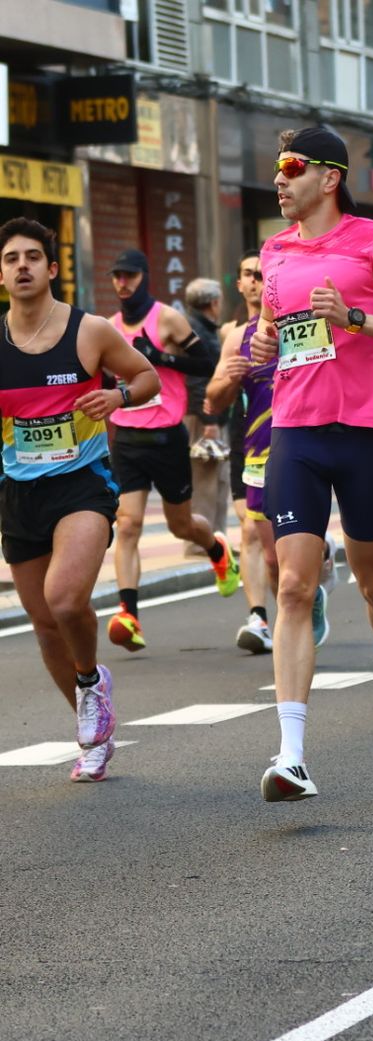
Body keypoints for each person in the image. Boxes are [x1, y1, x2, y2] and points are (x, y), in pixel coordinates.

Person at [248, 126, 373, 801]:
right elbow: (285, 331)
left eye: (292, 168)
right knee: (295, 584)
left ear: (329, 177)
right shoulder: (273, 252)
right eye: (277, 169)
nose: (280, 180)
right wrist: (268, 341)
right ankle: (292, 754)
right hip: (296, 431)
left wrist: (358, 318)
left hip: (363, 430)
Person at [0, 218, 159, 782]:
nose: (22, 266)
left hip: (82, 484)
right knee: (43, 623)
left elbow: (147, 379)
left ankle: (91, 679)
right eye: (11, 258)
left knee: (65, 600)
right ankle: (90, 730)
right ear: (1, 272)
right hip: (18, 492)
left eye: (32, 257)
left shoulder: (87, 330)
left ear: (52, 267)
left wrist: (116, 396)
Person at [104, 249, 239, 651]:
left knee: (182, 526)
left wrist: (160, 357)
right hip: (126, 438)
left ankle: (217, 549)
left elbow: (208, 363)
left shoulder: (167, 318)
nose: (122, 283)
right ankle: (128, 615)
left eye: (129, 275)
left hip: (166, 437)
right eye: (116, 276)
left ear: (144, 277)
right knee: (127, 525)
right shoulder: (108, 327)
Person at [206, 251, 281, 653]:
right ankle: (261, 617)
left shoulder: (298, 326)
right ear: (240, 284)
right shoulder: (234, 335)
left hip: (297, 440)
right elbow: (213, 399)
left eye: (262, 274)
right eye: (249, 274)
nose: (255, 281)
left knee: (286, 541)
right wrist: (231, 379)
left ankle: (307, 584)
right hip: (249, 439)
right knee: (254, 534)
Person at [181, 277, 231, 543]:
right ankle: (202, 544)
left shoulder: (204, 327)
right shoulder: (196, 331)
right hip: (203, 416)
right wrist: (210, 419)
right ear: (214, 302)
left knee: (218, 480)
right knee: (205, 481)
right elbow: (199, 379)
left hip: (210, 412)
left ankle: (216, 539)